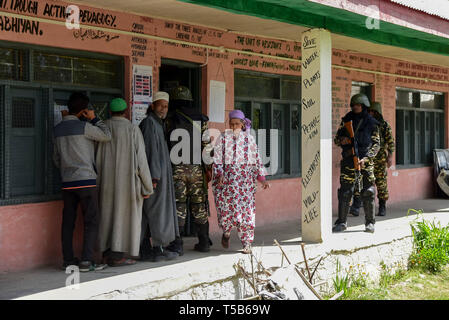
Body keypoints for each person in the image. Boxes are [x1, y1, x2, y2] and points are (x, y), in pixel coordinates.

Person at [53, 92, 111, 272]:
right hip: (86, 180)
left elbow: (56, 158)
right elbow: (106, 135)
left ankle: (68, 260)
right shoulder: (84, 127)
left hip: (67, 182)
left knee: (68, 222)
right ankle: (87, 261)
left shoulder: (57, 129)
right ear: (84, 111)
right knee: (91, 221)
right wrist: (95, 119)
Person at [96, 98, 154, 267]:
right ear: (126, 111)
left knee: (107, 217)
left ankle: (107, 253)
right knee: (123, 219)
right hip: (128, 185)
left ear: (110, 111)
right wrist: (147, 186)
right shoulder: (132, 129)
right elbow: (141, 161)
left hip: (105, 183)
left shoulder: (103, 128)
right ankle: (118, 256)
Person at [212, 110, 270, 254]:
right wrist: (219, 174)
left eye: (237, 124)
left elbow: (256, 159)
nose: (234, 127)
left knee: (246, 214)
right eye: (231, 124)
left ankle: (247, 243)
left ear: (243, 124)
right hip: (228, 184)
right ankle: (226, 233)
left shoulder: (249, 140)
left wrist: (262, 179)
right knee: (226, 212)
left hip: (245, 185)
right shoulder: (223, 139)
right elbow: (217, 159)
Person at [165, 85, 213, 253]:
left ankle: (177, 245)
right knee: (199, 205)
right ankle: (204, 242)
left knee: (179, 206)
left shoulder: (170, 118)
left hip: (176, 169)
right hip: (196, 170)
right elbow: (207, 146)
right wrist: (208, 168)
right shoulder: (201, 118)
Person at [139, 92, 179, 261]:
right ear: (153, 105)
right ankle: (153, 249)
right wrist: (153, 178)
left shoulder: (158, 123)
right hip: (154, 178)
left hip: (160, 176)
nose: (163, 109)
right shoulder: (149, 123)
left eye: (166, 106)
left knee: (157, 212)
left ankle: (157, 247)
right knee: (154, 212)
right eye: (161, 105)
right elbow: (150, 152)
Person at [333, 93, 380, 233]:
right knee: (345, 192)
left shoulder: (371, 122)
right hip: (348, 161)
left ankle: (370, 223)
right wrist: (343, 140)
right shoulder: (346, 120)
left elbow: (376, 144)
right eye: (354, 105)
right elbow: (337, 139)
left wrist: (366, 158)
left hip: (365, 161)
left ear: (364, 106)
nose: (356, 107)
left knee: (368, 192)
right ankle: (341, 222)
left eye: (358, 105)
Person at [349, 102, 395, 217]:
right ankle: (356, 206)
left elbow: (391, 142)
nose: (370, 113)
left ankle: (382, 206)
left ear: (377, 112)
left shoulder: (384, 125)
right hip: (364, 157)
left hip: (379, 158)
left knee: (381, 182)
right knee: (360, 179)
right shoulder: (363, 123)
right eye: (369, 111)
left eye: (372, 112)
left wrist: (390, 157)